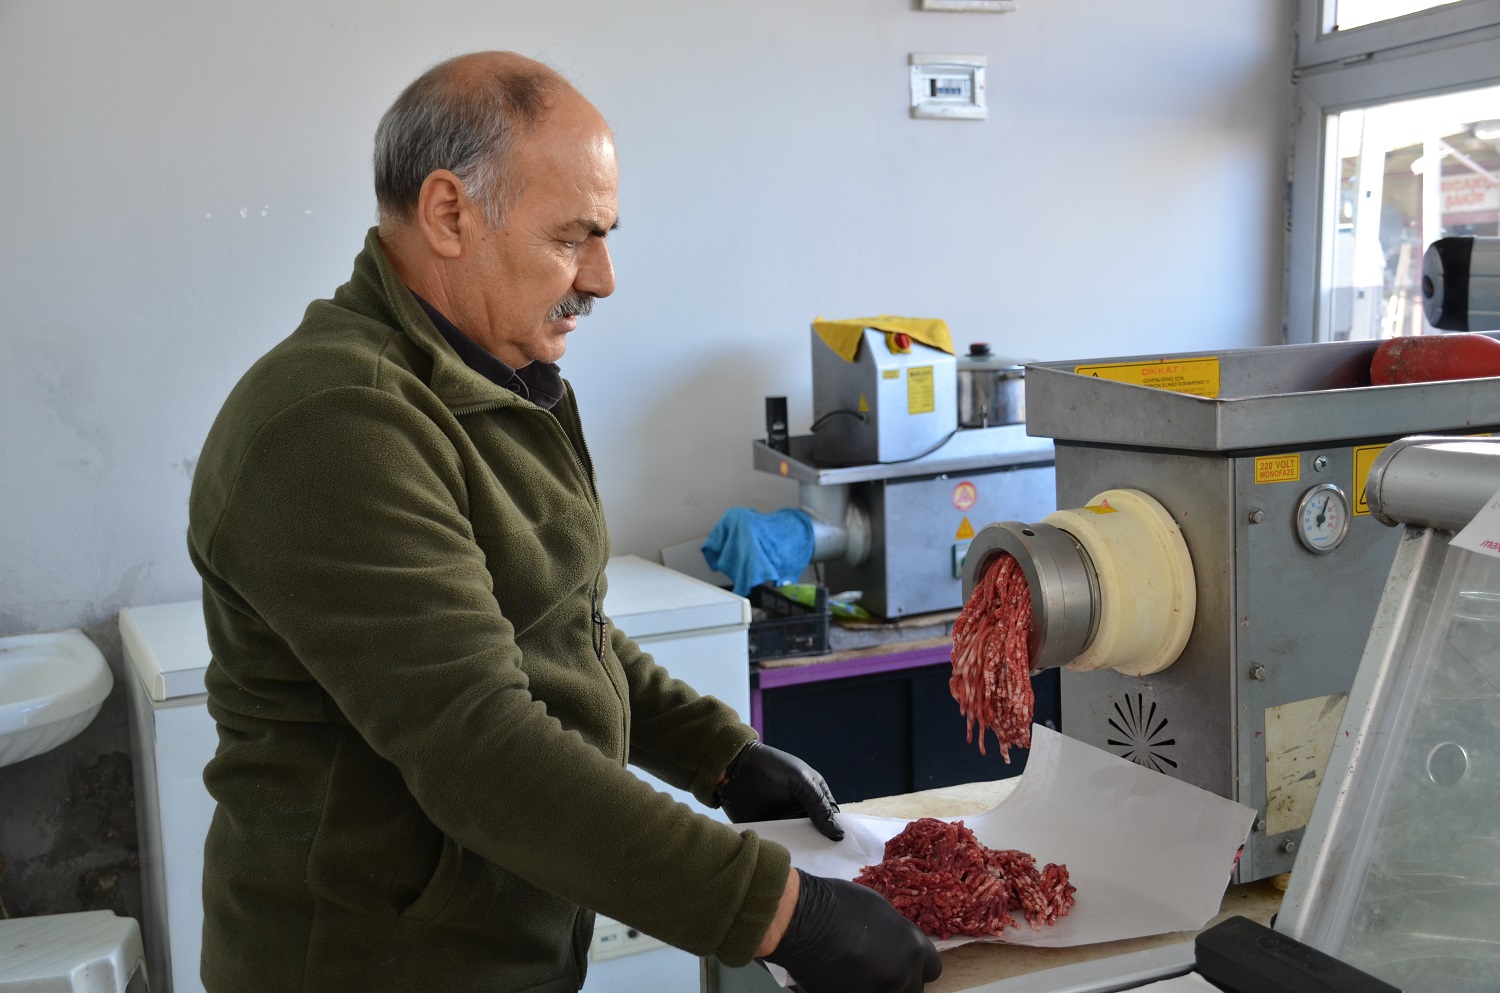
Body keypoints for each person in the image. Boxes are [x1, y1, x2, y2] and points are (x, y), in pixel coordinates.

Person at [187, 51, 943, 993]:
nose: (605, 276)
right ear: (450, 213)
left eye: (606, 235)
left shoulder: (492, 385)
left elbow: (557, 627)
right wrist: (784, 913)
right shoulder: (340, 422)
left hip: (507, 952)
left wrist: (720, 752)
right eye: (572, 238)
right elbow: (485, 751)